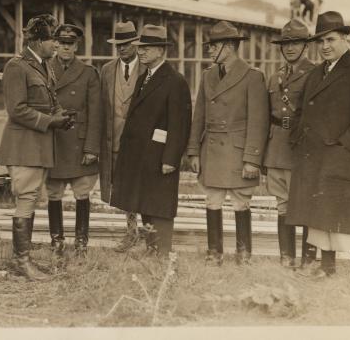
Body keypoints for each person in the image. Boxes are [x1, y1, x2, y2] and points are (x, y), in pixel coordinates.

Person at [287, 11, 350, 281]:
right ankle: (327, 267)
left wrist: (345, 145)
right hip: (316, 156)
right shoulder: (316, 73)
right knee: (321, 214)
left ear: (344, 38)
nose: (325, 46)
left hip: (345, 155)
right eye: (320, 42)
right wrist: (297, 138)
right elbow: (300, 112)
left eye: (330, 39)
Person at [0, 14, 73, 281]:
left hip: (38, 145)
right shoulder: (17, 67)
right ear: (38, 40)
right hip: (24, 146)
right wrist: (50, 121)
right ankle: (22, 262)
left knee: (30, 199)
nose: (57, 44)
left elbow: (49, 101)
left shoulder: (43, 65)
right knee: (26, 199)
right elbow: (16, 110)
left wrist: (61, 116)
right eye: (53, 39)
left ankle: (23, 259)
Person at [187, 21, 268, 266]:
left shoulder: (253, 77)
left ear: (230, 46)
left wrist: (252, 158)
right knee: (212, 200)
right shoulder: (207, 75)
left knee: (241, 201)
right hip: (211, 150)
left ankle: (243, 254)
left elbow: (258, 122)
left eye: (214, 46)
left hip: (237, 152)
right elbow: (198, 115)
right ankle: (215, 252)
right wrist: (193, 151)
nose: (209, 50)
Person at [110, 25, 192, 256]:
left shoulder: (175, 81)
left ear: (160, 51)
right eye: (140, 48)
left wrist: (171, 159)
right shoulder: (145, 78)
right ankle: (152, 248)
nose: (141, 52)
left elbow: (180, 124)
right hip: (142, 155)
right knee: (146, 201)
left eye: (147, 48)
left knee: (161, 204)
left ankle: (162, 251)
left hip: (160, 156)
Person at [262, 19, 316, 268]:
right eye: (286, 44)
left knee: (303, 202)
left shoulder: (315, 74)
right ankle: (286, 258)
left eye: (296, 43)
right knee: (281, 203)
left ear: (305, 45)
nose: (290, 48)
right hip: (276, 148)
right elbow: (267, 116)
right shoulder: (275, 77)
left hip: (301, 148)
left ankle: (307, 259)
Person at [46, 24, 101, 259]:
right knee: (54, 193)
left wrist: (91, 147)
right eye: (62, 43)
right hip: (54, 138)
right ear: (55, 44)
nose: (66, 47)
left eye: (71, 43)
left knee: (82, 193)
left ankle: (81, 242)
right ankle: (56, 241)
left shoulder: (89, 73)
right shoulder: (43, 68)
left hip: (79, 141)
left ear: (77, 46)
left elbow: (96, 113)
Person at [99, 21, 146, 252]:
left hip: (140, 143)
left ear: (136, 44)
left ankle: (147, 234)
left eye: (126, 44)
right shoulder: (107, 70)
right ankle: (131, 232)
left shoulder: (148, 69)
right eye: (118, 45)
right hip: (115, 141)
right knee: (122, 188)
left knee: (143, 186)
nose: (122, 49)